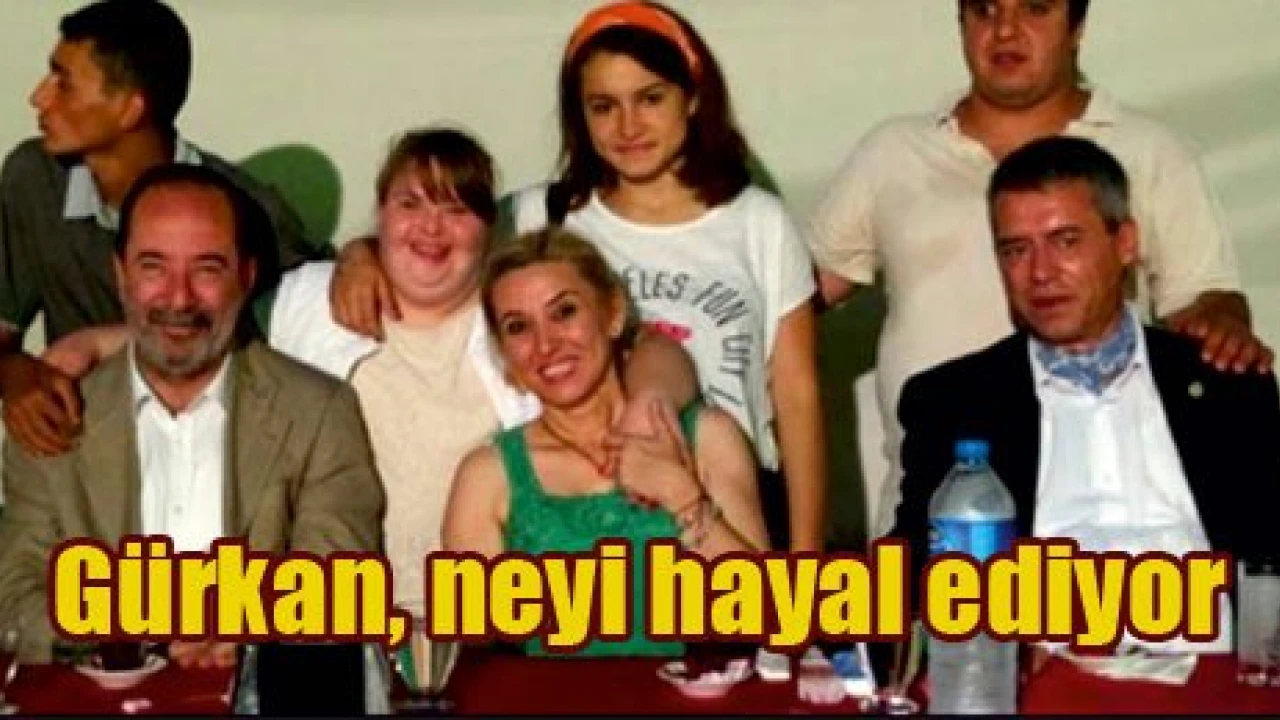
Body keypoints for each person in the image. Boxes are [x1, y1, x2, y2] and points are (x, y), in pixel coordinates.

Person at [809, 0, 1274, 538]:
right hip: (954, 501)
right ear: (961, 24)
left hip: (1123, 480)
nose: (1005, 30)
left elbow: (1207, 302)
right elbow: (791, 304)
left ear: (1076, 27)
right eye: (985, 10)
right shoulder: (892, 154)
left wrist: (1221, 332)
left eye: (1035, 8)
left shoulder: (1149, 151)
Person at [891, 136, 1280, 653]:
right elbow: (911, 579)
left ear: (1125, 243)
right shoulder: (954, 403)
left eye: (1066, 241)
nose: (1041, 273)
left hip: (1210, 672)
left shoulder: (1223, 382)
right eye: (1016, 250)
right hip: (1043, 674)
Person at [0, 164, 385, 678]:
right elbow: (15, 600)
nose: (179, 298)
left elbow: (339, 588)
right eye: (153, 267)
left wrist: (247, 627)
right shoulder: (51, 414)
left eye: (207, 269)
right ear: (120, 275)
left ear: (246, 277)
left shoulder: (318, 411)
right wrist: (137, 628)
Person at [504, 0, 824, 552]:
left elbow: (797, 396)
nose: (628, 126)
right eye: (604, 106)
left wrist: (808, 554)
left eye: (650, 98)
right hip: (584, 513)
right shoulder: (544, 215)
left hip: (730, 507)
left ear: (693, 98)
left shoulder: (759, 221)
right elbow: (434, 247)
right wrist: (360, 259)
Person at [0, 0, 333, 458]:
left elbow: (324, 309)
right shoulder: (34, 179)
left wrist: (362, 257)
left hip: (214, 455)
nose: (39, 97)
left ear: (129, 109)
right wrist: (14, 373)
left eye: (65, 84)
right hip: (85, 450)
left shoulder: (245, 208)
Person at [443, 226, 769, 656]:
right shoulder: (488, 474)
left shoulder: (707, 438)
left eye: (564, 312)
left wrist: (681, 497)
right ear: (504, 355)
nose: (546, 344)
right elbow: (472, 649)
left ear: (613, 314)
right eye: (518, 327)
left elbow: (765, 618)